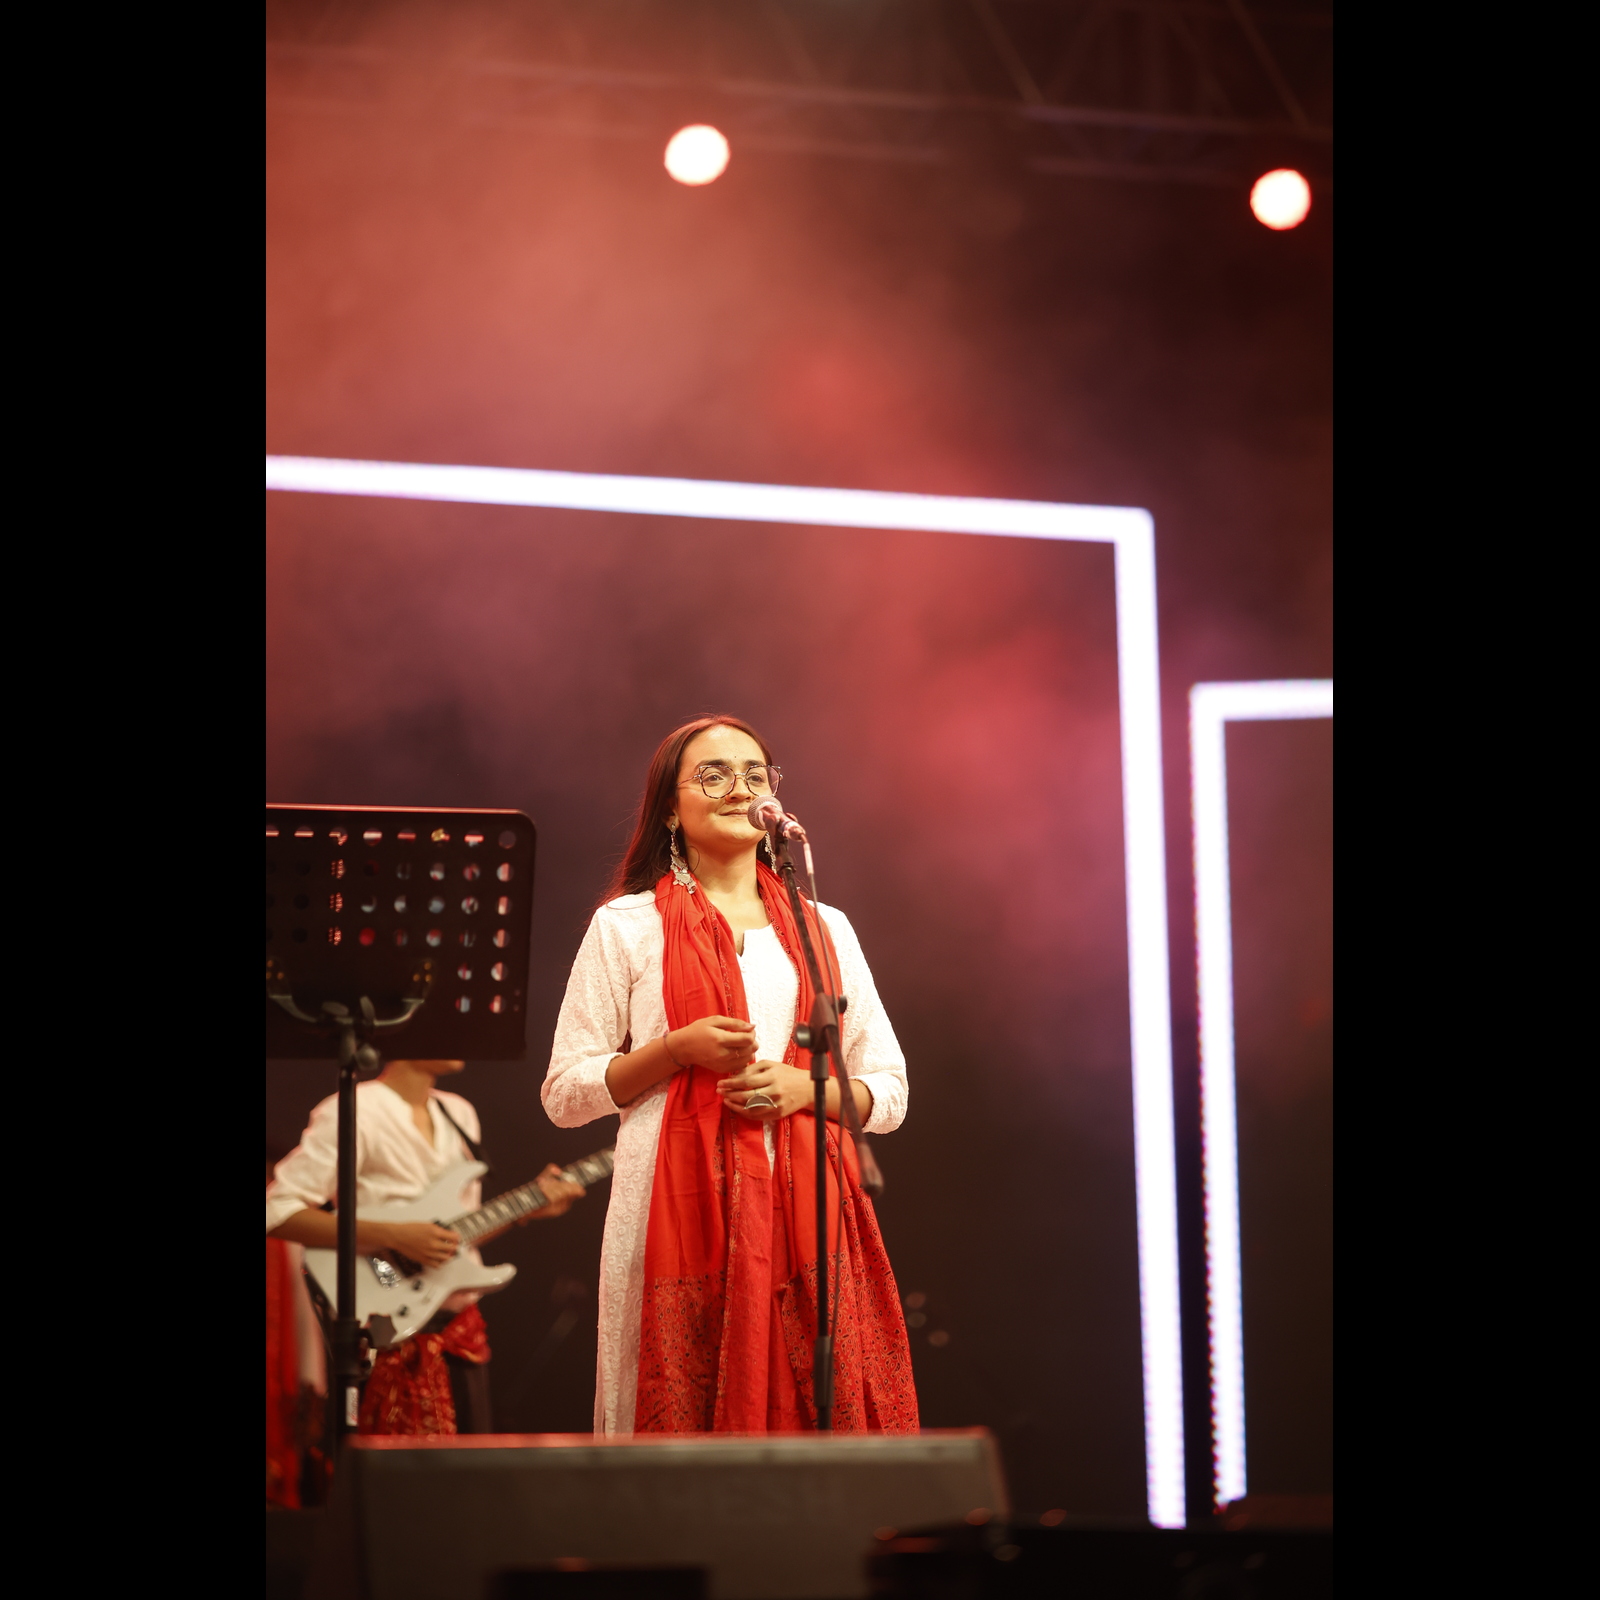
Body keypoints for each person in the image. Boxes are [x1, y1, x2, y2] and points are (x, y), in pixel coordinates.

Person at [543, 714, 919, 1435]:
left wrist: (805, 1089)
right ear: (670, 810)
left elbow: (891, 1091)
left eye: (754, 775)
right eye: (712, 775)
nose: (739, 789)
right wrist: (672, 1050)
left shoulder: (825, 928)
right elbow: (564, 1095)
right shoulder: (626, 926)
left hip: (809, 1215)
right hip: (668, 1214)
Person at [267, 1056, 584, 1436]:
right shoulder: (352, 1108)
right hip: (383, 1334)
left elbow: (452, 1237)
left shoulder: (459, 1113)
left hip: (458, 1336)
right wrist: (394, 1236)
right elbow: (276, 1212)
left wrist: (523, 1211)